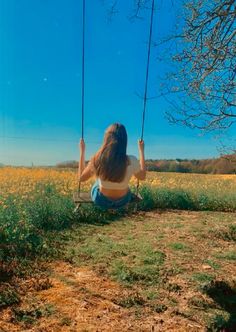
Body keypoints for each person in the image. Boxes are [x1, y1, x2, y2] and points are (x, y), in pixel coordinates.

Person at [78, 123, 146, 210]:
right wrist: (141, 151)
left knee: (98, 180)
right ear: (124, 140)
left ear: (106, 139)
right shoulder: (131, 160)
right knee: (126, 186)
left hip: (101, 200)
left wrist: (82, 151)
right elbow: (142, 176)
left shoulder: (97, 158)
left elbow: (81, 178)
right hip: (123, 201)